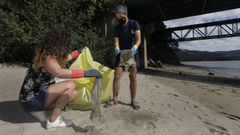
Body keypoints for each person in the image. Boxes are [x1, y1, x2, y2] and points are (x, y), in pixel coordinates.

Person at [19, 29, 102, 129]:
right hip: (30, 100)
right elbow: (59, 72)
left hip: (34, 96)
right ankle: (53, 121)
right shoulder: (48, 58)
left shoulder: (47, 54)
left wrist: (77, 52)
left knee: (72, 94)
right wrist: (85, 73)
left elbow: (64, 60)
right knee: (70, 85)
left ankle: (39, 111)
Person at [112, 5, 141, 110]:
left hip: (130, 52)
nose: (118, 18)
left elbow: (138, 39)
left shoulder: (134, 24)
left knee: (132, 77)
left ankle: (133, 100)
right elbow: (116, 41)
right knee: (117, 76)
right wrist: (116, 48)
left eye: (119, 15)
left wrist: (135, 47)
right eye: (116, 16)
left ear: (124, 14)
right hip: (120, 52)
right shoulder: (117, 28)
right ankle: (115, 99)